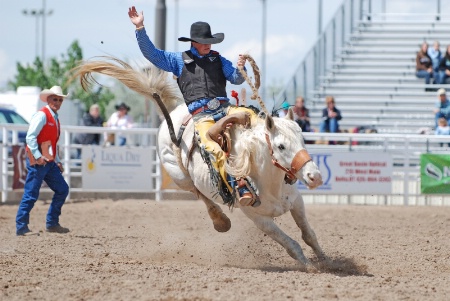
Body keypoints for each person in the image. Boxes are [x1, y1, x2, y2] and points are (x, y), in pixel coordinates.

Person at [128, 6, 260, 206]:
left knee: (255, 119)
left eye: (210, 42)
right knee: (210, 147)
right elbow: (153, 55)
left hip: (225, 110)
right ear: (194, 43)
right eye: (205, 42)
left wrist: (241, 68)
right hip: (202, 116)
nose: (209, 45)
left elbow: (235, 78)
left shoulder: (218, 59)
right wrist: (140, 28)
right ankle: (239, 185)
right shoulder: (178, 61)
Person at [15, 86, 70, 236]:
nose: (58, 102)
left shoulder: (53, 117)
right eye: (55, 99)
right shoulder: (42, 115)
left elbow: (52, 143)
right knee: (31, 193)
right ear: (48, 99)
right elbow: (30, 137)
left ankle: (52, 223)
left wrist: (57, 160)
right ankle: (21, 227)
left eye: (60, 100)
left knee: (62, 189)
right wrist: (38, 156)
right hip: (38, 161)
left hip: (49, 161)